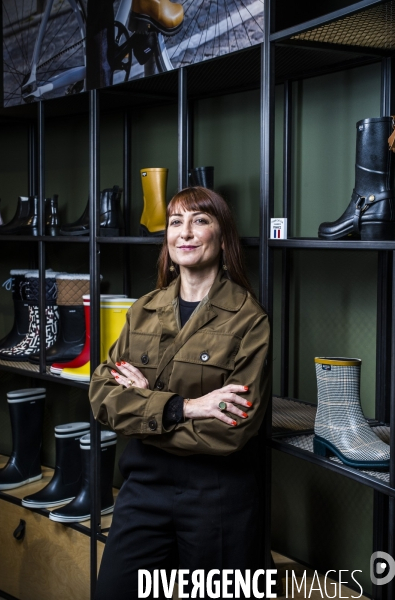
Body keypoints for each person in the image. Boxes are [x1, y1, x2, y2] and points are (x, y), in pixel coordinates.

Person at [89, 186, 271, 600]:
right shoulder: (144, 309)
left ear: (222, 238)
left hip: (217, 498)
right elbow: (102, 396)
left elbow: (231, 430)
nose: (184, 233)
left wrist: (142, 408)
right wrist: (186, 407)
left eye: (200, 220)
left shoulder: (249, 321)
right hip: (142, 487)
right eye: (175, 222)